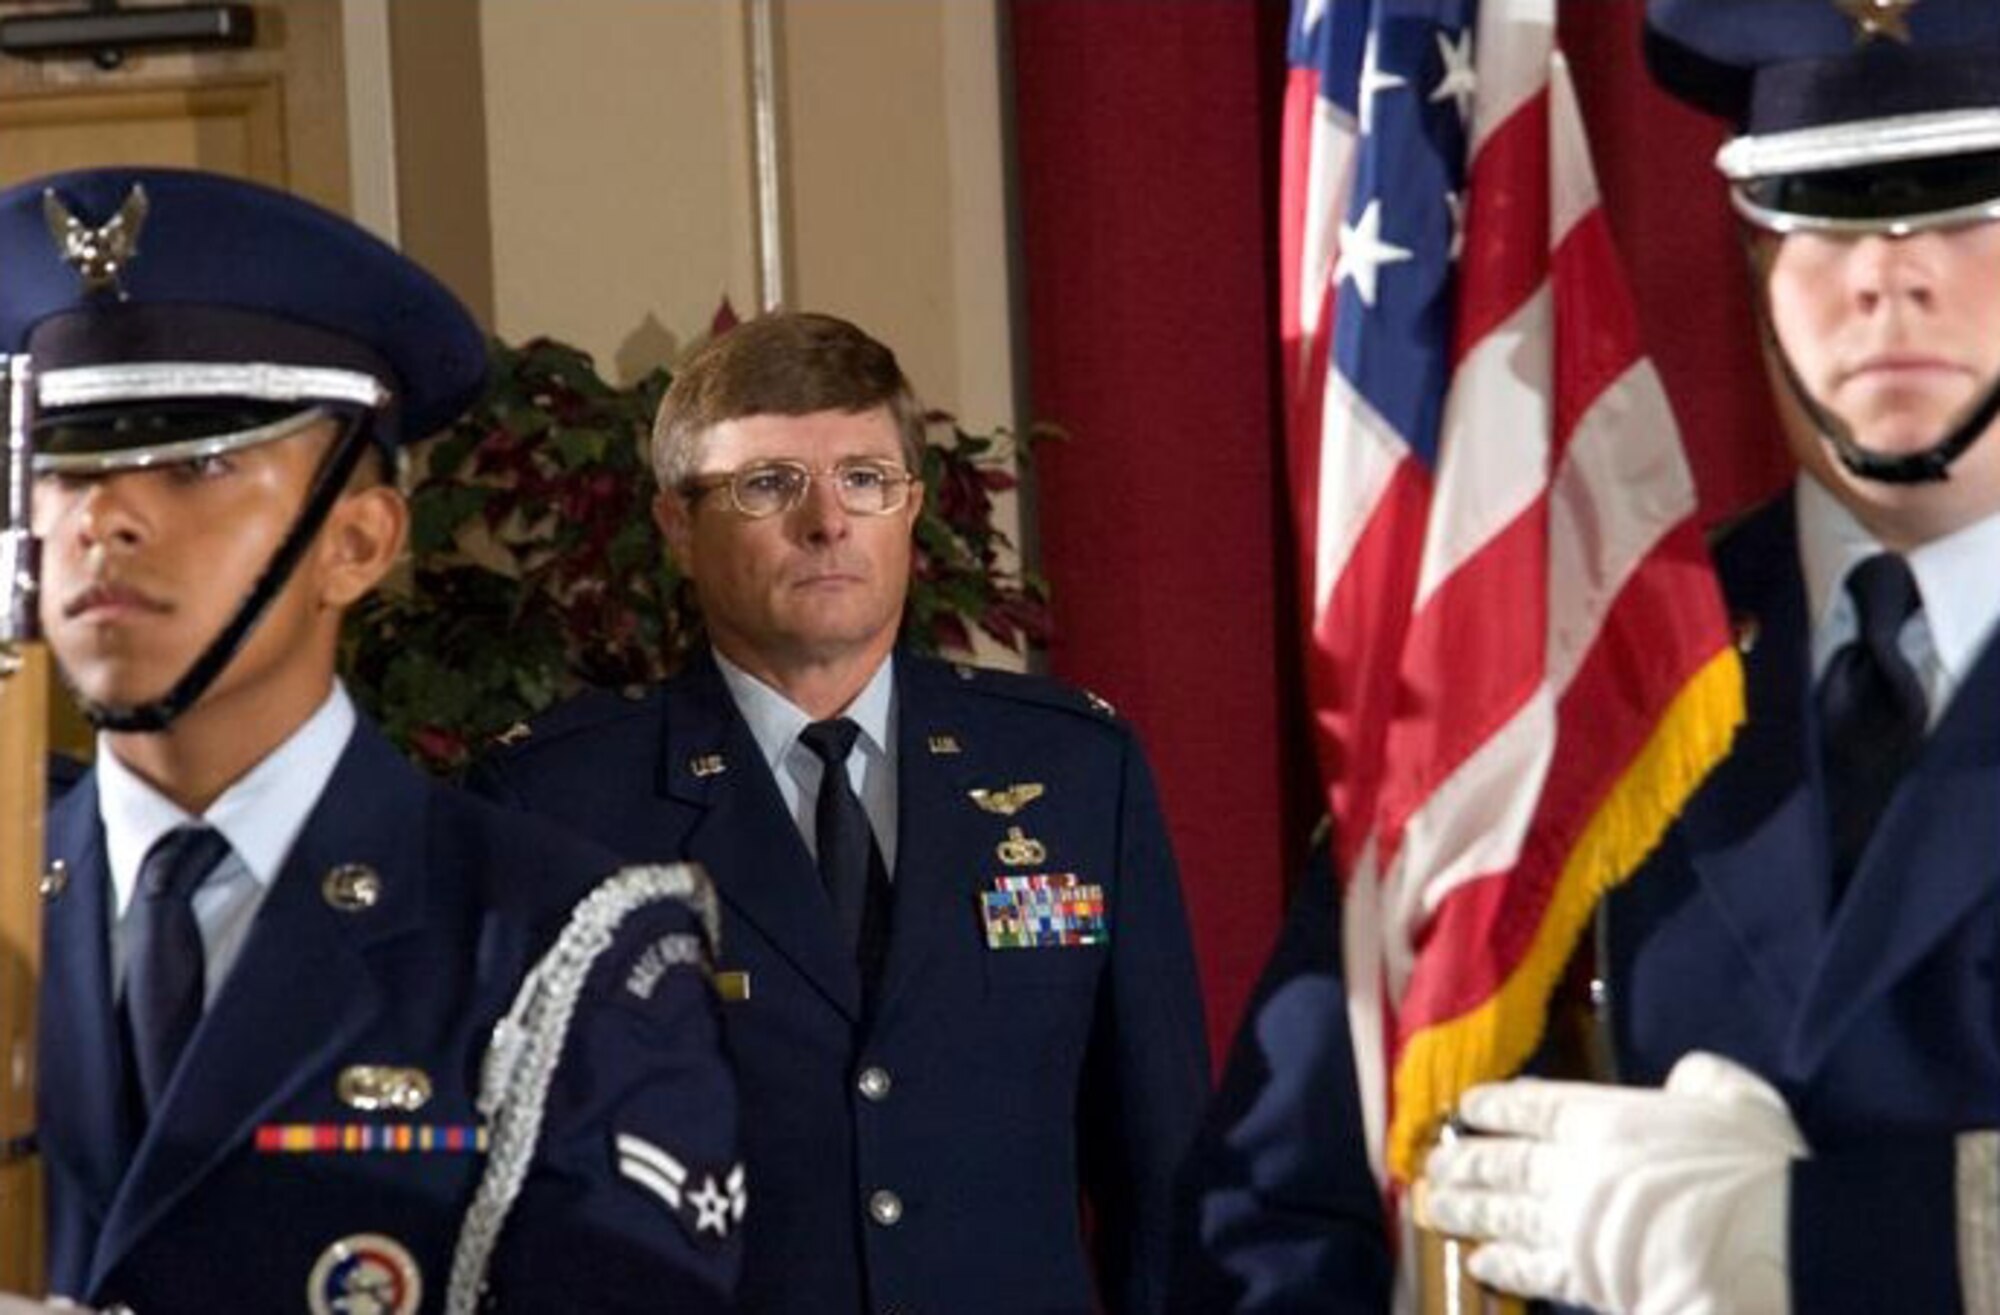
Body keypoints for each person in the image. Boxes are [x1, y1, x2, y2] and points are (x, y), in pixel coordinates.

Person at [1189, 2, 2000, 1311]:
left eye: (1964, 205)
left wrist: (1816, 1236)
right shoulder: (1557, 641)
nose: (1883, 275)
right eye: (1825, 212)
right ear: (1752, 256)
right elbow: (1278, 1214)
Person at [9, 167, 742, 1314]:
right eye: (63, 469)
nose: (107, 516)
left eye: (197, 466)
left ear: (356, 541)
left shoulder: (548, 944)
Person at [469, 310, 1211, 1315]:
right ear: (678, 528)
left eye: (865, 478)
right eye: (767, 484)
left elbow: (1161, 1174)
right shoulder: (554, 804)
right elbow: (501, 1211)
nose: (826, 521)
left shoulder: (1074, 768)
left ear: (910, 508)